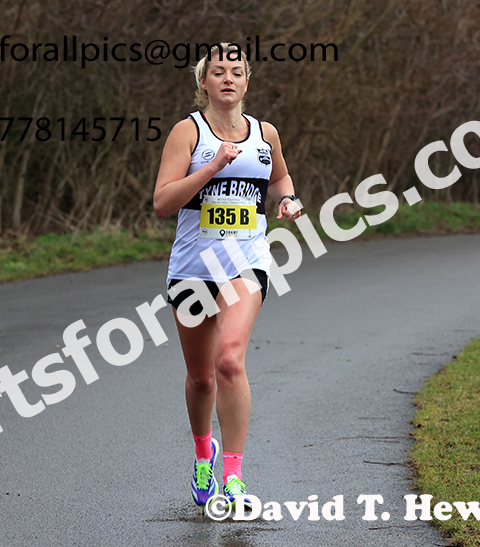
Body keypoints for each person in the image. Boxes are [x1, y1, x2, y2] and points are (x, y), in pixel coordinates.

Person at [153, 42, 300, 509]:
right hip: (194, 267)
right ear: (204, 83)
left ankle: (233, 474)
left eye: (236, 71)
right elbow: (162, 202)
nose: (228, 78)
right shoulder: (187, 133)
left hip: (246, 261)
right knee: (200, 378)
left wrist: (285, 200)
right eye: (218, 72)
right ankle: (203, 456)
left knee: (230, 361)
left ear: (247, 82)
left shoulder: (265, 134)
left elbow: (278, 178)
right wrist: (213, 166)